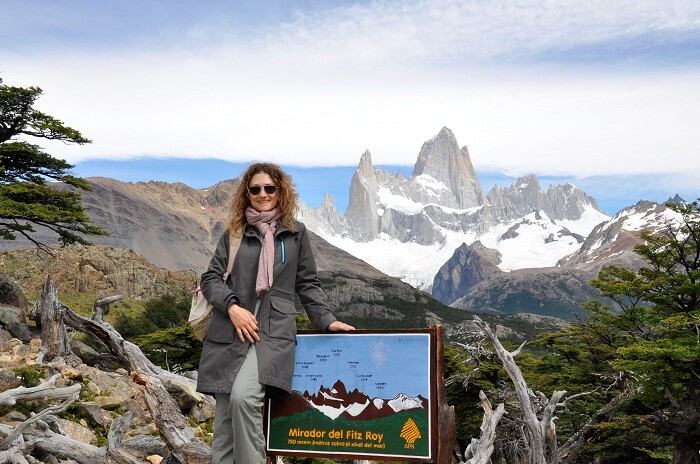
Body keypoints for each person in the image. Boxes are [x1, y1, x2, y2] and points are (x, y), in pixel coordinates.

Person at [196, 162, 354, 464]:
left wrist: (327, 320)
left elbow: (307, 283)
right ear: (247, 193)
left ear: (280, 191)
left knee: (243, 398)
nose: (263, 194)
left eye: (269, 188)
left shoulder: (296, 234)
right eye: (255, 189)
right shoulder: (235, 233)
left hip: (272, 334)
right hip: (230, 331)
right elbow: (210, 279)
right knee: (224, 419)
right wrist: (232, 307)